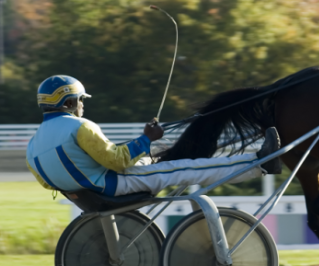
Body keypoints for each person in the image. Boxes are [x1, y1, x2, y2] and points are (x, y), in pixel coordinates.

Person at [26, 75, 281, 197]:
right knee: (185, 169)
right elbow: (116, 161)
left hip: (90, 192)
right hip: (113, 184)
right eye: (81, 100)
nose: (83, 105)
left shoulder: (33, 145)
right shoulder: (80, 126)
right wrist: (146, 139)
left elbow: (49, 183)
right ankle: (258, 163)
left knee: (160, 163)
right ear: (69, 102)